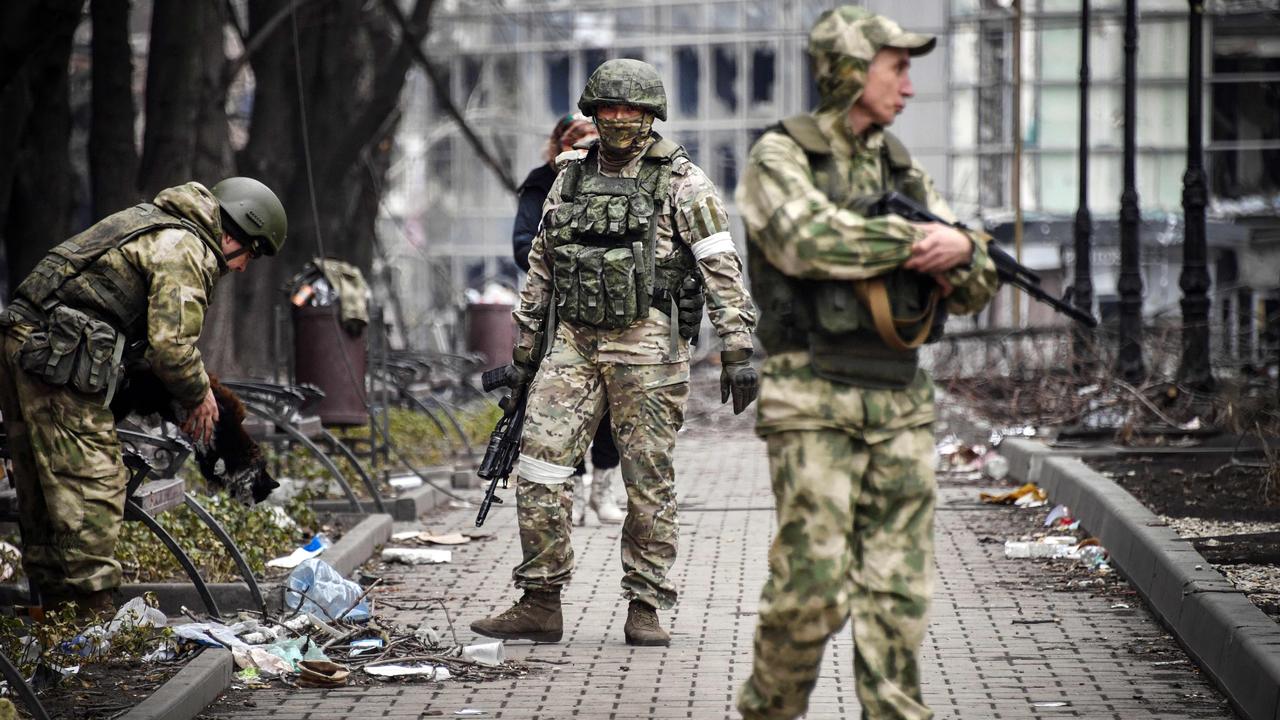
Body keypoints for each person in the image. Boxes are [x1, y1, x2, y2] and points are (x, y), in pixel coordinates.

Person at [734, 8, 998, 719]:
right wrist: (923, 241)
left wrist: (966, 250)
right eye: (898, 68)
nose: (909, 87)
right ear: (851, 69)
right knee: (810, 593)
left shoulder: (900, 166)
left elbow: (974, 284)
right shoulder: (780, 156)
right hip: (812, 396)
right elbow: (805, 240)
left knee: (899, 594)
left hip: (900, 403)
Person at [471, 58, 758, 647]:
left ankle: (646, 605)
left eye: (634, 110)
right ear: (592, 112)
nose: (621, 119)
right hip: (573, 345)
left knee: (647, 481)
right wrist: (526, 352)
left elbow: (720, 267)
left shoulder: (684, 183)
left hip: (649, 351)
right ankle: (541, 600)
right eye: (609, 108)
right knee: (540, 468)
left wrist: (738, 347)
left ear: (653, 115)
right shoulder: (569, 177)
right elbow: (543, 267)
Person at [0, 177, 286, 616]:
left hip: (29, 346)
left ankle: (55, 619)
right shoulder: (187, 246)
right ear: (234, 234)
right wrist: (199, 395)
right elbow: (171, 349)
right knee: (92, 487)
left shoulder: (154, 223)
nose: (244, 267)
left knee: (43, 488)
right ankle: (89, 623)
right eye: (250, 253)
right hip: (56, 359)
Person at [512, 112, 624, 526]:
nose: (585, 151)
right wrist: (571, 262)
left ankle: (603, 490)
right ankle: (572, 491)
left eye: (592, 141)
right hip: (558, 314)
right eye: (575, 142)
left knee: (613, 405)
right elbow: (524, 245)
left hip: (614, 314)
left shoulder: (621, 179)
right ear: (560, 144)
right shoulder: (544, 181)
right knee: (561, 409)